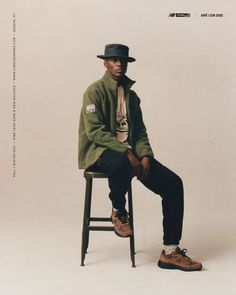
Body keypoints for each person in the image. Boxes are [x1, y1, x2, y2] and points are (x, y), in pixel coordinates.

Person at [78, 43, 202, 271]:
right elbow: (95, 132)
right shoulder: (94, 92)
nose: (119, 64)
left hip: (131, 157)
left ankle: (171, 251)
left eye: (123, 60)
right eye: (114, 60)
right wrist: (126, 151)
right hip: (99, 153)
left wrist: (144, 155)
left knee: (173, 184)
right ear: (105, 63)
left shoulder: (132, 97)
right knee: (123, 162)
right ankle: (118, 210)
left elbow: (141, 132)